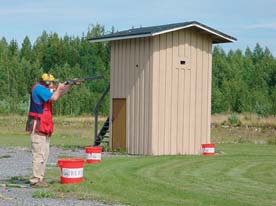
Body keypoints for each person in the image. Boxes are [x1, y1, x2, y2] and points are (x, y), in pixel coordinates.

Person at [26, 73, 71, 187]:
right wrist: (60, 88)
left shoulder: (43, 90)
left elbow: (58, 94)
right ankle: (35, 180)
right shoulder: (39, 89)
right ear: (46, 83)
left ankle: (40, 178)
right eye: (51, 82)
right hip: (38, 126)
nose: (52, 84)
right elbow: (55, 97)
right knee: (39, 154)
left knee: (44, 154)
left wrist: (69, 86)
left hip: (44, 126)